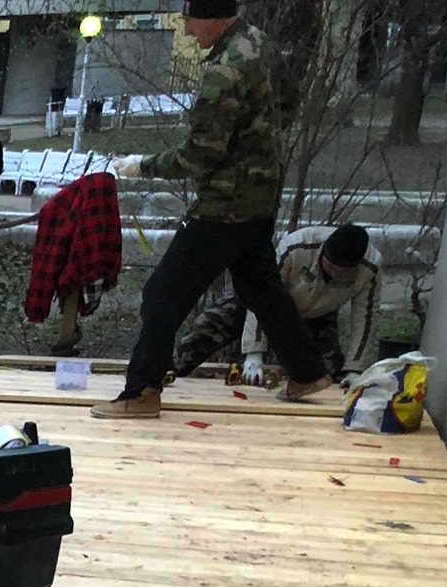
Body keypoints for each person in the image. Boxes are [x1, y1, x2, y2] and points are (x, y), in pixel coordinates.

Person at [92, 0, 336, 417]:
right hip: (260, 197)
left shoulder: (224, 70)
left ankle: (142, 391)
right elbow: (289, 102)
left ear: (213, 18)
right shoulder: (259, 42)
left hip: (223, 207)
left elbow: (201, 154)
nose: (188, 32)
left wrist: (142, 166)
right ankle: (308, 372)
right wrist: (257, 145)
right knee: (261, 287)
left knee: (162, 295)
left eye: (189, 22)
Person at [173, 222, 380, 381]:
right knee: (209, 325)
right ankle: (169, 371)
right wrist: (254, 353)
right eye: (332, 266)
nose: (335, 273)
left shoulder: (371, 268)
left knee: (325, 374)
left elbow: (365, 320)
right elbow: (261, 294)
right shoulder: (296, 246)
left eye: (343, 272)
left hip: (317, 315)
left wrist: (355, 369)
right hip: (261, 301)